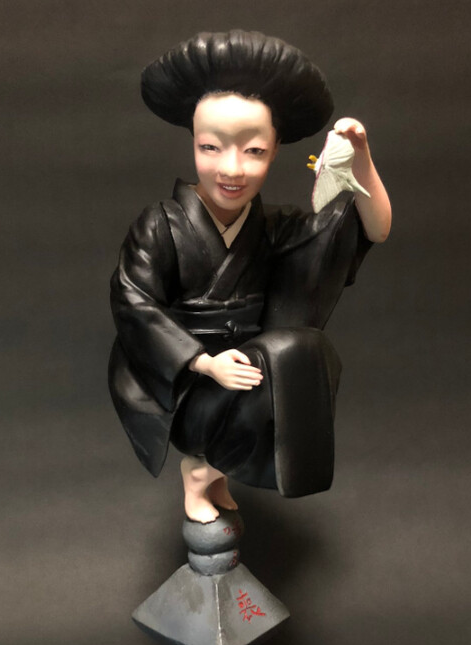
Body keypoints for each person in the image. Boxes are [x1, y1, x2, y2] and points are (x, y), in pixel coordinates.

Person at [109, 31, 391, 523]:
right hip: (186, 388)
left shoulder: (274, 228)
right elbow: (133, 303)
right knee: (267, 371)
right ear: (193, 143)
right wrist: (204, 363)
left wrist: (360, 159)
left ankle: (211, 472)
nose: (231, 168)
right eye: (211, 147)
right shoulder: (159, 225)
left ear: (277, 149)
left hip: (250, 376)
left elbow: (374, 228)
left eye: (254, 151)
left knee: (308, 354)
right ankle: (199, 471)